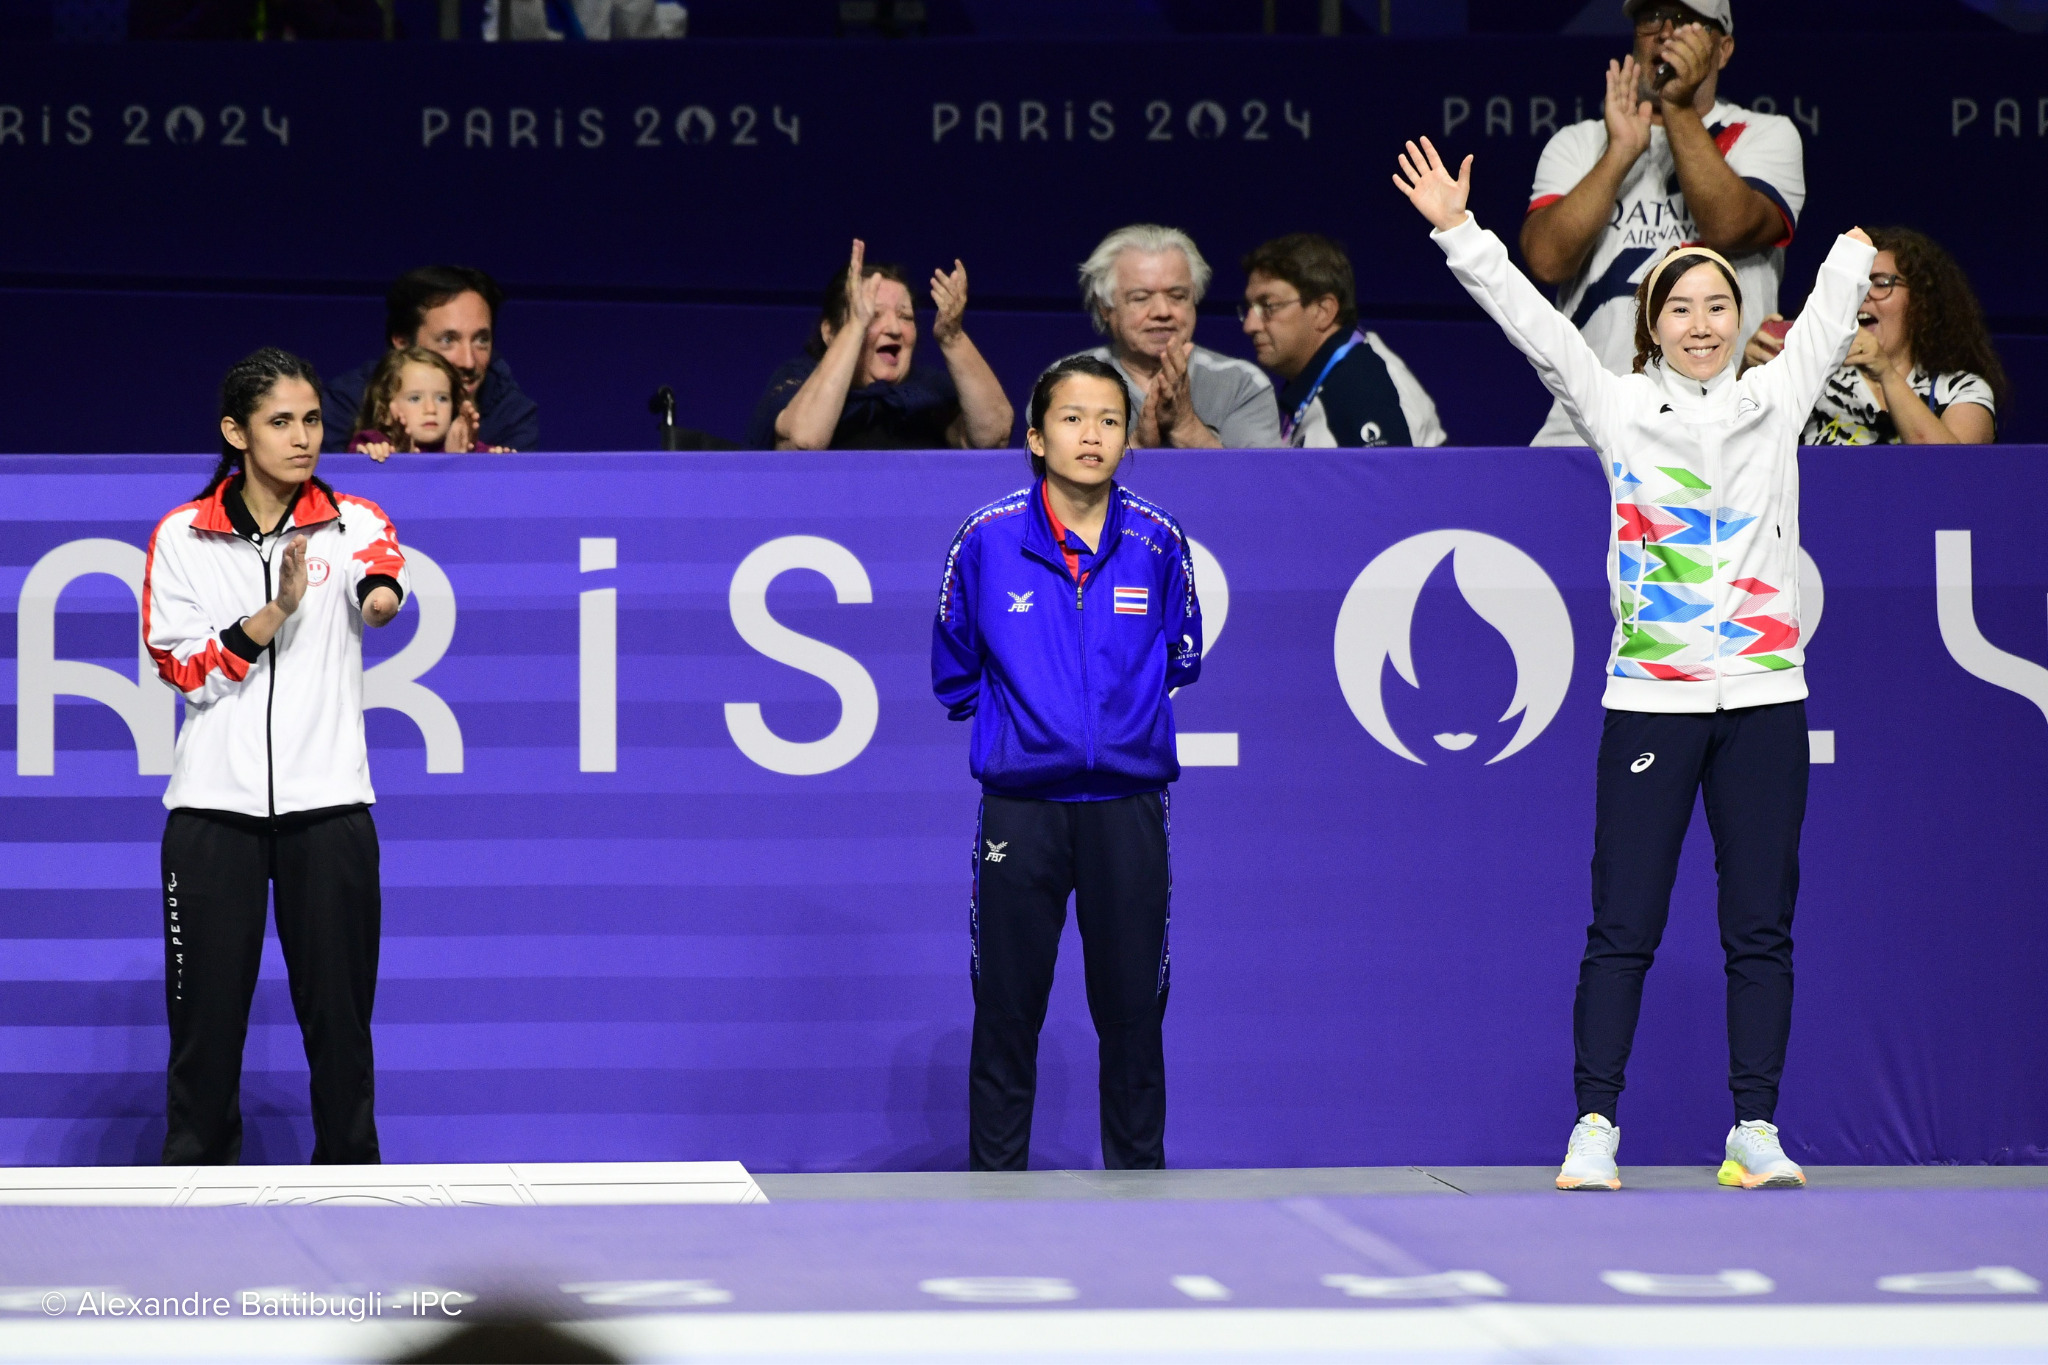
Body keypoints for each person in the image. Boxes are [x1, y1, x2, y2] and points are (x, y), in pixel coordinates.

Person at [1395, 136, 1876, 1191]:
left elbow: (1837, 307)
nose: (1700, 325)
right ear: (1649, 327)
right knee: (1623, 926)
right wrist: (1458, 234)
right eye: (1679, 308)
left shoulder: (1774, 401)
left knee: (1759, 928)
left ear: (1739, 320)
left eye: (1716, 306)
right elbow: (1530, 324)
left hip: (1763, 704)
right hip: (1647, 706)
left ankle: (1753, 1129)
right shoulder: (1613, 405)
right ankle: (1593, 1127)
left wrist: (1846, 258)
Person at [931, 354, 1203, 1172]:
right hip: (1023, 811)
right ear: (1037, 435)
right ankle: (995, 1197)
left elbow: (1181, 655)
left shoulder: (1158, 540)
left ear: (1130, 438)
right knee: (1008, 1009)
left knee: (1132, 1014)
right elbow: (954, 666)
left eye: (1110, 420)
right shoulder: (984, 540)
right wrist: (1032, 731)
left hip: (1128, 807)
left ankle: (1140, 1193)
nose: (1092, 435)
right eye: (1074, 418)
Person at [145, 347, 411, 1165]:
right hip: (210, 818)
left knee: (340, 1028)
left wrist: (377, 598)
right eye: (281, 422)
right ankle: (193, 1204)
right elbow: (183, 669)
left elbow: (383, 581)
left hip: (328, 811)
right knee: (205, 1032)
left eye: (312, 420)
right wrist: (273, 614)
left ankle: (353, 1196)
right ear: (236, 432)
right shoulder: (183, 536)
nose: (303, 438)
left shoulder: (353, 519)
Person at [1521, 0, 1804, 447]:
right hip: (1586, 431)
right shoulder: (1581, 143)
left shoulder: (1764, 136)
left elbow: (1728, 225)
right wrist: (1619, 154)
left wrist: (1677, 107)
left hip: (1720, 431)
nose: (1666, 31)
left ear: (1723, 48)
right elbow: (1547, 260)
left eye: (1687, 20)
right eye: (1652, 17)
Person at [1744, 227, 2004, 445]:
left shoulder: (1962, 389)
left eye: (1880, 283)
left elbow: (1953, 474)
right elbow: (1738, 447)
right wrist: (1747, 376)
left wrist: (1886, 372)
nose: (1863, 294)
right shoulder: (1810, 381)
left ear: (1921, 300)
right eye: (1856, 285)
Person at [747, 239, 1014, 450]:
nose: (895, 329)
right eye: (874, 314)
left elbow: (994, 435)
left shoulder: (929, 391)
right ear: (830, 332)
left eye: (905, 316)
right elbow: (803, 441)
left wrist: (952, 337)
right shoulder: (797, 378)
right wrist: (855, 326)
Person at [1078, 224, 1282, 449]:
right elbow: (1056, 480)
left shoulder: (1242, 385)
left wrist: (1186, 427)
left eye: (1177, 296)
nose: (1162, 312)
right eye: (1141, 298)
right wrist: (1137, 445)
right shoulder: (1067, 382)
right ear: (1106, 307)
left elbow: (1259, 482)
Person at [1239, 232, 1447, 447]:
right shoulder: (1331, 379)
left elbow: (1393, 480)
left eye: (1268, 306)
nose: (1249, 325)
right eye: (1249, 308)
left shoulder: (1361, 387)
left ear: (1323, 311)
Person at [324, 266, 539, 453]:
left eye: (481, 340)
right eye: (448, 340)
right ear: (402, 342)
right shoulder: (347, 402)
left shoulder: (511, 413)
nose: (468, 362)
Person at [347, 347, 512, 459]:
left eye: (442, 398)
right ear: (384, 413)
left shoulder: (464, 446)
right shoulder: (376, 443)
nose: (431, 409)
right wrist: (381, 458)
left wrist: (498, 459)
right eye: (415, 398)